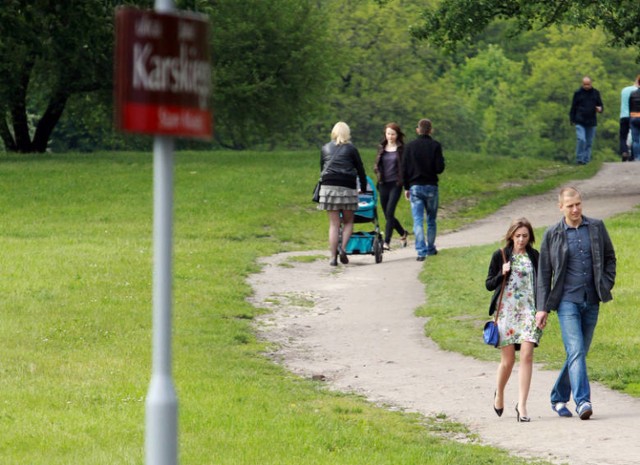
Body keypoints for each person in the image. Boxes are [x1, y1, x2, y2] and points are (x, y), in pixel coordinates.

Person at [535, 187, 616, 420]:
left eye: (578, 204)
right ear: (561, 207)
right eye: (570, 205)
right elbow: (544, 273)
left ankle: (558, 397)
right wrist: (542, 308)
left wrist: (606, 283)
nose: (575, 209)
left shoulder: (597, 227)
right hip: (566, 302)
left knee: (578, 353)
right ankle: (583, 402)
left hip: (591, 300)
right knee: (577, 351)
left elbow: (610, 258)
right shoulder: (552, 234)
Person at [486, 218, 541, 423]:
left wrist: (542, 310)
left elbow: (542, 284)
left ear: (530, 237)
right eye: (517, 236)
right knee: (508, 361)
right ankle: (499, 393)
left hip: (529, 311)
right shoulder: (500, 255)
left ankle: (522, 405)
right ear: (511, 236)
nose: (521, 239)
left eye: (525, 236)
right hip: (506, 312)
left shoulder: (535, 257)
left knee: (526, 356)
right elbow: (489, 285)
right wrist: (502, 273)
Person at [318, 121, 367, 267]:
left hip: (328, 187)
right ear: (347, 133)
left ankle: (333, 257)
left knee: (334, 224)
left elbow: (322, 168)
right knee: (348, 221)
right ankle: (343, 248)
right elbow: (360, 169)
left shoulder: (325, 148)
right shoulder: (351, 149)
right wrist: (363, 186)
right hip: (347, 186)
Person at [402, 118, 445, 261]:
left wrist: (406, 187)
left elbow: (404, 169)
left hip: (415, 187)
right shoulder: (435, 146)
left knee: (418, 220)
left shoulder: (409, 147)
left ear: (417, 130)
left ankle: (421, 251)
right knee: (431, 219)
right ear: (431, 130)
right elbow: (440, 168)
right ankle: (431, 248)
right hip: (431, 186)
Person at [373, 122, 409, 250]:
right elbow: (376, 164)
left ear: (397, 135)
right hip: (383, 183)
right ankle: (403, 233)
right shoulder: (381, 147)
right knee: (388, 215)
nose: (390, 136)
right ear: (385, 134)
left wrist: (406, 185)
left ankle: (386, 242)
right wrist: (377, 172)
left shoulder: (402, 149)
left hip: (396, 184)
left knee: (390, 212)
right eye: (388, 133)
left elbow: (405, 168)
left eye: (393, 134)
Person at [569, 76, 603, 165]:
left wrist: (600, 109)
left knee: (589, 142)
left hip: (591, 121)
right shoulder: (578, 93)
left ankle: (586, 160)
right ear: (582, 84)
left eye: (588, 84)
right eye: (585, 84)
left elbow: (601, 106)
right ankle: (579, 158)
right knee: (581, 139)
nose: (586, 86)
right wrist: (572, 119)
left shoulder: (596, 93)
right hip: (580, 120)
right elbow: (573, 107)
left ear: (591, 83)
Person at [618, 75, 640, 161]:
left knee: (623, 136)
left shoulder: (624, 90)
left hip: (624, 115)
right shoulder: (636, 91)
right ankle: (634, 156)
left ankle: (624, 151)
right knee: (636, 137)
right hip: (634, 115)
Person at [628, 79, 640, 162]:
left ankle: (637, 158)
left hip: (634, 117)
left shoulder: (632, 94)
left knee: (635, 140)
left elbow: (630, 106)